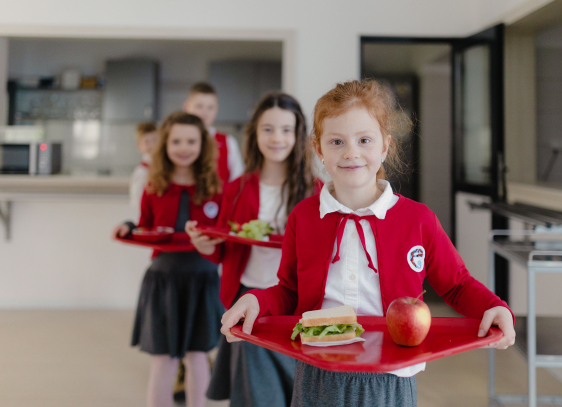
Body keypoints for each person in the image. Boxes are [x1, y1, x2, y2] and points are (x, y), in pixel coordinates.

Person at [219, 80, 516, 407]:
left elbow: (457, 285)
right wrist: (255, 301)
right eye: (336, 141)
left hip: (391, 375)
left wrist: (493, 306)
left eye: (364, 140)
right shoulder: (303, 217)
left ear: (384, 146)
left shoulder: (418, 219)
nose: (351, 153)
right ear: (318, 149)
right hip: (317, 374)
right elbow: (289, 290)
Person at [185, 93, 322, 407]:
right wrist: (204, 245)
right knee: (255, 394)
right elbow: (222, 250)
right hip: (246, 297)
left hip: (294, 303)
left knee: (296, 390)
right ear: (255, 134)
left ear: (299, 135)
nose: (277, 138)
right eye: (268, 129)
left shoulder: (315, 192)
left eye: (286, 130)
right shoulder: (236, 189)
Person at [113, 112, 223, 407]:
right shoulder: (154, 185)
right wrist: (129, 227)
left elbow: (225, 233)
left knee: (198, 356)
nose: (183, 147)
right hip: (163, 280)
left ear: (203, 144)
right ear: (164, 144)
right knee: (162, 360)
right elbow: (144, 225)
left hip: (204, 280)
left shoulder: (215, 186)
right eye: (176, 140)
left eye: (191, 140)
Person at [183, 81, 244, 186]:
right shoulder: (177, 141)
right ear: (187, 106)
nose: (205, 112)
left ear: (217, 109)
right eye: (199, 106)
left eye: (210, 107)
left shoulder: (228, 142)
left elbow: (238, 181)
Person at [129, 122, 158, 219]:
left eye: (155, 140)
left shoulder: (161, 167)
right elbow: (137, 200)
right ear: (139, 146)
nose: (152, 145)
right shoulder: (142, 171)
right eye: (147, 142)